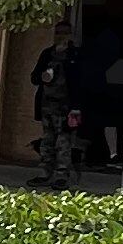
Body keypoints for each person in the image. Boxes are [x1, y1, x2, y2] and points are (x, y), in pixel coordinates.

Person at [30, 22, 79, 189]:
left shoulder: (74, 55)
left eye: (64, 33)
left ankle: (62, 175)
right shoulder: (47, 54)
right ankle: (44, 172)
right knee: (47, 141)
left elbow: (80, 83)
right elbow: (34, 77)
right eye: (58, 33)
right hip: (47, 106)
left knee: (63, 142)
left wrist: (76, 107)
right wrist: (42, 76)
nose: (60, 36)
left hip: (65, 107)